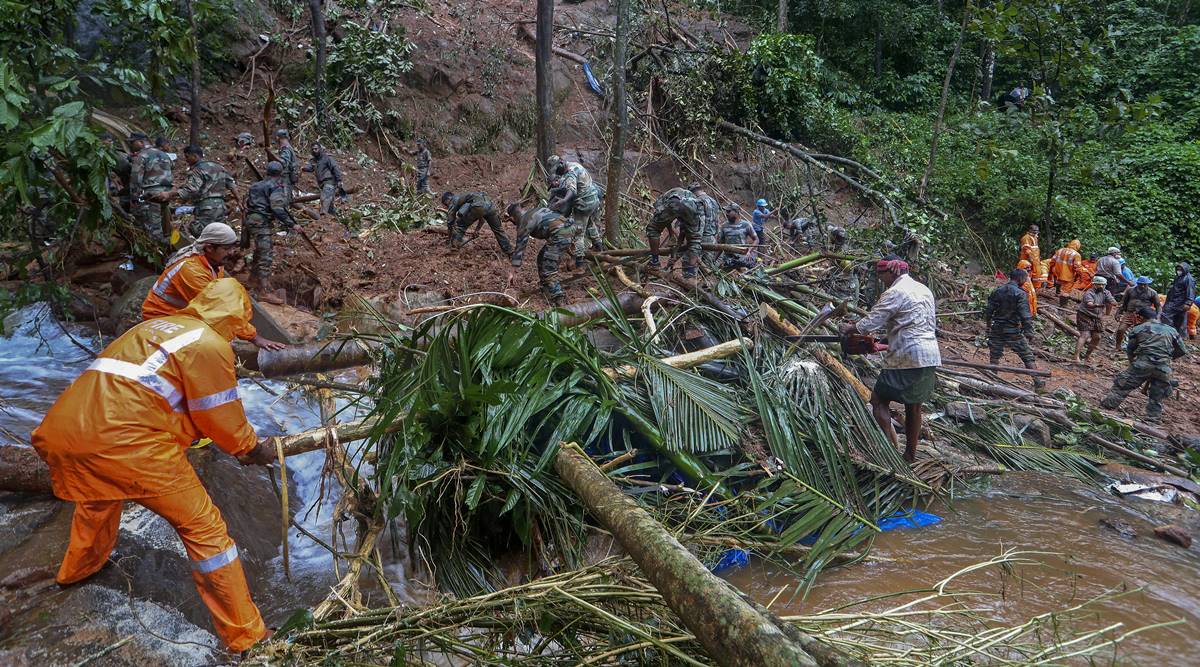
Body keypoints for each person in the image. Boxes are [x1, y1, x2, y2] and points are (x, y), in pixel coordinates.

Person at [31, 278, 276, 652]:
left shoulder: (152, 328)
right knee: (206, 531)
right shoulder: (208, 344)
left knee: (98, 498)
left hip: (67, 431)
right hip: (129, 446)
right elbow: (220, 417)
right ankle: (247, 636)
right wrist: (252, 448)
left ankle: (77, 571)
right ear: (237, 317)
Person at [839, 258, 940, 463]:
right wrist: (886, 340)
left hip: (907, 355)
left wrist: (849, 328)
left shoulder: (895, 291)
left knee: (878, 400)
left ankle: (889, 454)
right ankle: (909, 456)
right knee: (914, 407)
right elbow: (915, 322)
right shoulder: (923, 289)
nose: (881, 279)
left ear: (891, 273)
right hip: (929, 354)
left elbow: (871, 322)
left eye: (881, 274)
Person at [142, 223, 286, 350]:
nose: (231, 253)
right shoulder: (192, 271)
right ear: (209, 248)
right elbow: (218, 310)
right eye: (226, 248)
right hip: (163, 318)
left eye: (232, 248)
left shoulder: (215, 264)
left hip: (183, 314)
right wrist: (255, 338)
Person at [1100, 306, 1186, 422]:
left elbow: (1130, 349)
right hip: (1164, 368)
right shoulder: (1171, 330)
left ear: (1140, 317)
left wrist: (1133, 363)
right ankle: (1153, 417)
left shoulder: (1138, 329)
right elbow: (1182, 350)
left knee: (1122, 385)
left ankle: (1108, 405)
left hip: (1143, 363)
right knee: (1157, 394)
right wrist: (1167, 358)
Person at [505, 203, 580, 307]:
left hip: (559, 236)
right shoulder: (537, 210)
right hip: (569, 229)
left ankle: (559, 299)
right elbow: (553, 226)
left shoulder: (524, 221)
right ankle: (546, 286)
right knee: (542, 256)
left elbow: (520, 248)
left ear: (513, 218)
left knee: (548, 269)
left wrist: (513, 271)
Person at [244, 161, 295, 304]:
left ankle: (252, 280)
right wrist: (292, 224)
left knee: (260, 251)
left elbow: (248, 203)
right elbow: (277, 208)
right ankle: (263, 291)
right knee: (266, 255)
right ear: (280, 174)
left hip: (251, 220)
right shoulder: (276, 186)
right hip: (261, 222)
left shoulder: (255, 185)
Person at [984, 268, 1044, 390]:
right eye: (1026, 278)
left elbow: (989, 311)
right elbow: (1025, 315)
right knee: (1027, 355)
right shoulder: (1021, 293)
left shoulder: (998, 291)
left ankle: (992, 381)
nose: (1026, 280)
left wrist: (988, 326)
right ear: (1020, 278)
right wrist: (1029, 331)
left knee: (994, 355)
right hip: (1013, 330)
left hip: (997, 329)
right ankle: (1038, 381)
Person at [160, 146, 237, 238]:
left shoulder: (197, 170)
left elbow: (191, 190)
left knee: (202, 232)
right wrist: (238, 200)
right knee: (218, 231)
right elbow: (231, 184)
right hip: (221, 206)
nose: (186, 160)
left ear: (195, 156)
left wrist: (170, 194)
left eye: (187, 157)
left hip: (206, 207)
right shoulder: (219, 167)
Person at [546, 155, 604, 258]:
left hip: (585, 204)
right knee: (589, 223)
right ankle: (598, 246)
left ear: (561, 163)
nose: (557, 173)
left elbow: (571, 190)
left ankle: (579, 262)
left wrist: (563, 201)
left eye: (557, 170)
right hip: (593, 199)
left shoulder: (570, 173)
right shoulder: (574, 165)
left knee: (579, 233)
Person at [646, 185, 705, 278]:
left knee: (653, 229)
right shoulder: (693, 198)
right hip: (694, 208)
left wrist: (670, 233)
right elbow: (679, 226)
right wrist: (671, 233)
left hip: (676, 202)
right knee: (695, 240)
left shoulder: (665, 197)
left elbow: (662, 216)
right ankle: (691, 272)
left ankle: (655, 262)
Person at [128, 132, 174, 244]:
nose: (130, 145)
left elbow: (135, 177)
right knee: (165, 224)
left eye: (132, 143)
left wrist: (134, 196)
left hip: (152, 194)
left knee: (153, 227)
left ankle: (157, 250)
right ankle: (168, 245)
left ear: (140, 142)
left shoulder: (142, 155)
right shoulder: (165, 155)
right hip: (167, 194)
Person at [442, 191, 512, 255]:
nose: (447, 206)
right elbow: (482, 217)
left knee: (460, 225)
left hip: (478, 207)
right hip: (490, 206)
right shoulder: (469, 197)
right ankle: (509, 250)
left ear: (448, 199)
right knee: (498, 230)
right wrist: (477, 230)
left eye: (446, 204)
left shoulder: (454, 200)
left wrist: (450, 238)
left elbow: (450, 221)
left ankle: (454, 249)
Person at [1075, 276, 1117, 362]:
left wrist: (1114, 302)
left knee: (1097, 337)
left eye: (1103, 285)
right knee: (1085, 335)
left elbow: (1112, 301)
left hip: (1097, 317)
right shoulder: (1089, 292)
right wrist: (1098, 305)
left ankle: (1087, 356)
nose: (1101, 286)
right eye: (1099, 284)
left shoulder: (1106, 292)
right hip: (1084, 315)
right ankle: (1076, 356)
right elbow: (1089, 304)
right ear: (1094, 284)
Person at [1113, 276, 1160, 352]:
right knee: (1121, 329)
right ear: (1137, 283)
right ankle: (1118, 346)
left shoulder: (1152, 293)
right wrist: (1118, 312)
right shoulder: (1130, 290)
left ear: (1148, 284)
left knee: (1142, 332)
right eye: (1141, 284)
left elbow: (1158, 306)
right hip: (1130, 313)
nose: (1143, 286)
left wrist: (1158, 316)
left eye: (1145, 284)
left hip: (1144, 315)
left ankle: (1138, 348)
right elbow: (1124, 302)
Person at [302, 143, 344, 218]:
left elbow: (335, 168)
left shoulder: (327, 158)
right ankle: (334, 219)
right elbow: (310, 168)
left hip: (329, 181)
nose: (314, 151)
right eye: (313, 149)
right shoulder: (314, 160)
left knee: (324, 198)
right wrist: (303, 168)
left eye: (316, 149)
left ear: (320, 149)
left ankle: (323, 217)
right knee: (330, 203)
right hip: (322, 183)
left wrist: (339, 180)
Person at [716, 205, 758, 270]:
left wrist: (749, 251)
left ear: (737, 212)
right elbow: (721, 245)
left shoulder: (746, 225)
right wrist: (714, 259)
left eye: (729, 211)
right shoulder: (724, 226)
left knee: (747, 268)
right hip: (728, 258)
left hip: (742, 256)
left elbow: (756, 240)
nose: (726, 214)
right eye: (726, 211)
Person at [1161, 262, 1196, 336]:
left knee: (1165, 315)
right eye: (1178, 269)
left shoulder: (1189, 279)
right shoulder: (1178, 277)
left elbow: (1191, 292)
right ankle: (1176, 335)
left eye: (1181, 269)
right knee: (1179, 320)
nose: (1179, 271)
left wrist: (1188, 303)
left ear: (1185, 270)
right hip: (1174, 301)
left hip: (1180, 303)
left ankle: (1169, 333)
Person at [1048, 239, 1082, 306]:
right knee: (1066, 291)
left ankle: (1057, 293)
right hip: (1068, 275)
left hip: (1058, 272)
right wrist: (1079, 275)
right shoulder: (1077, 255)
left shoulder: (1060, 250)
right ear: (1078, 246)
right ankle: (1063, 305)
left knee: (1059, 281)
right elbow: (1077, 267)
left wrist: (1052, 270)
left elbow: (1052, 261)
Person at [274, 129, 300, 201]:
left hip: (286, 176)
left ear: (278, 137)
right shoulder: (287, 146)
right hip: (288, 175)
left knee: (285, 196)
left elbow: (284, 162)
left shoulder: (285, 148)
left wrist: (274, 159)